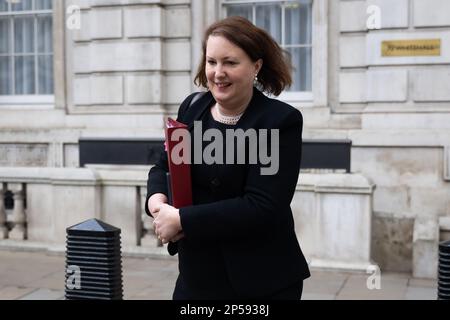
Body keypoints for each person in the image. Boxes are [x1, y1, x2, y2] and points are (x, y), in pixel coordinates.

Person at [145, 16, 310, 300]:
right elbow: (164, 165)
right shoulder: (192, 107)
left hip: (261, 282)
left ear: (256, 66)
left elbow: (263, 205)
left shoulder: (280, 121)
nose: (218, 72)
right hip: (196, 277)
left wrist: (182, 219)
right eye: (212, 62)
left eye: (230, 63)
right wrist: (157, 203)